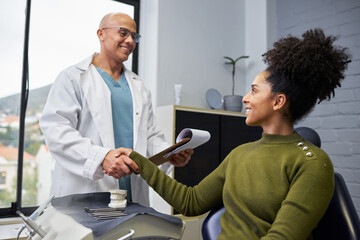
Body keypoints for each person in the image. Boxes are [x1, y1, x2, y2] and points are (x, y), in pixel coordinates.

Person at [115, 28, 351, 239]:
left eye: (254, 90)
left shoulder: (313, 164)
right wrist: (139, 161)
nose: (245, 98)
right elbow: (191, 201)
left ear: (278, 101)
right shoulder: (240, 154)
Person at [39, 12, 193, 206]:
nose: (130, 41)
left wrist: (169, 154)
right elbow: (56, 131)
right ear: (101, 34)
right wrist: (101, 157)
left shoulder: (139, 86)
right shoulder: (73, 78)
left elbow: (151, 137)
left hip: (132, 196)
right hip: (84, 194)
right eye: (123, 33)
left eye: (134, 36)